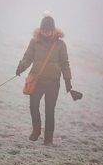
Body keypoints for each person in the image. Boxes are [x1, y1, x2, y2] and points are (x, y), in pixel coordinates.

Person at [16, 13, 72, 146]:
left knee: (49, 110)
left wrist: (68, 80)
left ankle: (48, 139)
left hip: (53, 83)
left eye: (49, 30)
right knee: (33, 105)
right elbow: (28, 57)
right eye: (44, 30)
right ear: (40, 29)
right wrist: (20, 68)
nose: (46, 33)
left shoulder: (60, 44)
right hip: (37, 81)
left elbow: (65, 63)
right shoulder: (34, 42)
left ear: (53, 30)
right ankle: (36, 130)